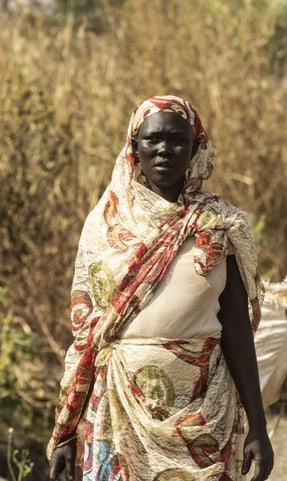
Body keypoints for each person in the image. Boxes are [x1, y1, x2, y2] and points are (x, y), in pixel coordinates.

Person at [47, 95, 274, 481]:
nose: (165, 150)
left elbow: (236, 328)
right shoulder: (105, 224)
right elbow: (87, 336)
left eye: (177, 140)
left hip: (203, 414)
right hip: (117, 411)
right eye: (153, 139)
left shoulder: (218, 225)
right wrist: (67, 431)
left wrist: (259, 425)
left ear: (195, 148)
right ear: (134, 146)